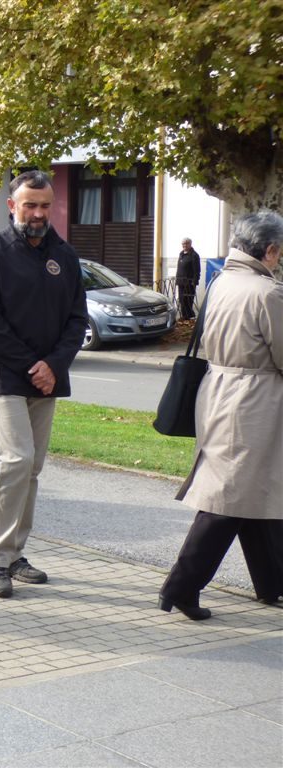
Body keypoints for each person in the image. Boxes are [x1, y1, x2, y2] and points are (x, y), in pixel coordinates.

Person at [0, 170, 88, 599]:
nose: (38, 213)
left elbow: (77, 319)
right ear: (11, 206)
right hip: (5, 376)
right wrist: (31, 366)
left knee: (32, 467)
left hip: (47, 377)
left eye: (45, 206)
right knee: (16, 460)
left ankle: (16, 553)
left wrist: (53, 365)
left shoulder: (65, 256)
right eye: (29, 205)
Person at [159, 211, 283, 620]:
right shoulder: (267, 292)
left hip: (220, 390)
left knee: (252, 489)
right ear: (269, 250)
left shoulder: (220, 282)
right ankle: (181, 586)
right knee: (229, 497)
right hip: (254, 400)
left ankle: (273, 582)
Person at [176, 238, 201, 321]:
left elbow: (197, 270)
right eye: (183, 244)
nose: (184, 245)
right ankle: (186, 316)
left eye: (186, 243)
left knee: (188, 301)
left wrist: (195, 281)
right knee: (181, 300)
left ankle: (188, 317)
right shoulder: (181, 254)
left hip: (189, 283)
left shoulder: (194, 255)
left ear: (190, 244)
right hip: (180, 282)